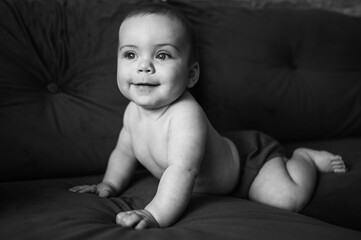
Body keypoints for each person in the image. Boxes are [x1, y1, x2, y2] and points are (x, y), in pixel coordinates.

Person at [69, 3, 347, 230]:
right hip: (224, 154)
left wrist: (154, 214)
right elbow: (123, 151)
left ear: (191, 75)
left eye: (163, 55)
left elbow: (183, 170)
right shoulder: (132, 113)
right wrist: (110, 183)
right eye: (130, 54)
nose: (144, 66)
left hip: (248, 165)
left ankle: (303, 159)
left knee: (288, 199)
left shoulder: (185, 114)